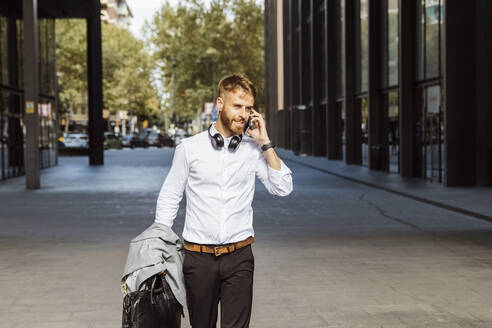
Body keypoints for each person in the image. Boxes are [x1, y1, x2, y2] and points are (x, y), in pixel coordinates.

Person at [154, 74, 293, 328]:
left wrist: (265, 142)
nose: (243, 114)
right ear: (220, 104)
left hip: (239, 256)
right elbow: (171, 195)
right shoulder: (189, 148)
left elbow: (283, 187)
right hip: (198, 258)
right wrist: (159, 243)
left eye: (248, 108)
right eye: (237, 106)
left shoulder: (253, 150)